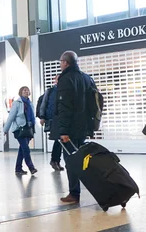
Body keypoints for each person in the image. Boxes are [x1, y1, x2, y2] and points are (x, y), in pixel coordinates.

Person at [57, 51, 93, 204]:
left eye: (60, 61)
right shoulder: (86, 78)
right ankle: (95, 188)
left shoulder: (66, 79)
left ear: (66, 62)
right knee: (82, 159)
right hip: (83, 127)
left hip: (70, 129)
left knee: (71, 161)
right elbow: (94, 103)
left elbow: (64, 107)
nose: (60, 64)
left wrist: (63, 130)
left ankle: (74, 193)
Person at [4, 86, 38, 176]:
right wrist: (5, 129)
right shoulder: (17, 103)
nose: (26, 91)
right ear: (20, 92)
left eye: (27, 90)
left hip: (28, 129)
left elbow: (32, 117)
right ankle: (31, 167)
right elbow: (11, 116)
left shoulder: (30, 103)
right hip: (19, 129)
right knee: (26, 149)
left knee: (22, 149)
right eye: (24, 90)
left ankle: (18, 168)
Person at [37, 76, 65, 171]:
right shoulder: (50, 91)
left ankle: (56, 161)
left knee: (60, 140)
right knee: (58, 139)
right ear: (55, 80)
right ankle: (54, 161)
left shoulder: (64, 90)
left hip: (61, 118)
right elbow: (44, 104)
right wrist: (42, 117)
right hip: (53, 119)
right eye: (58, 79)